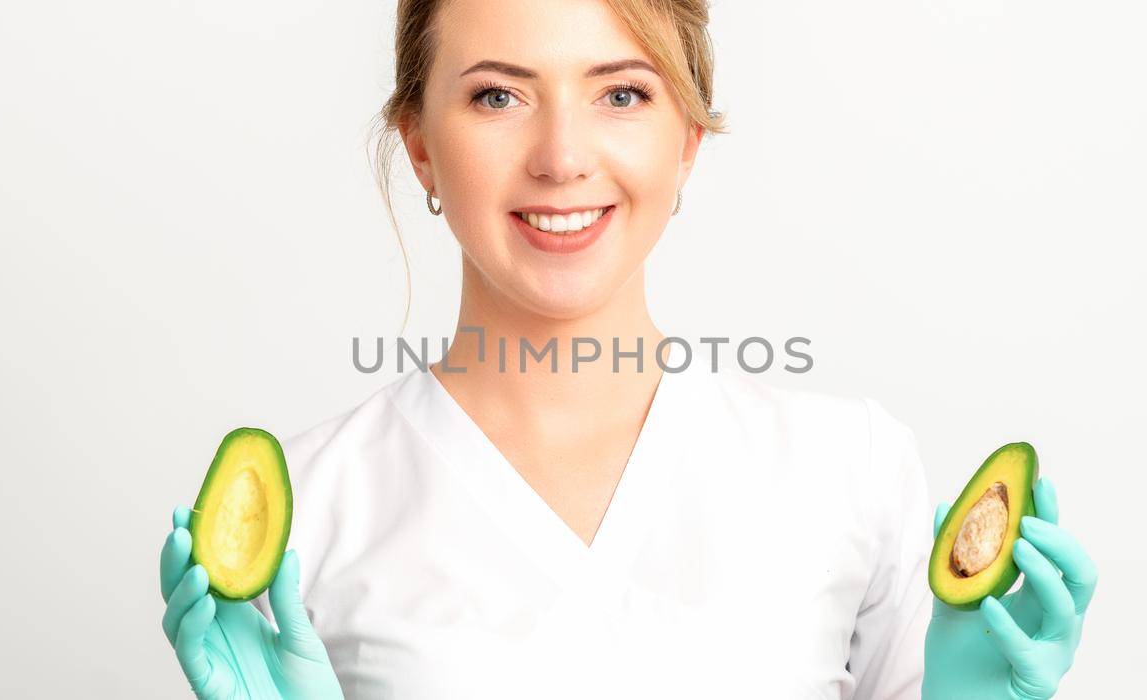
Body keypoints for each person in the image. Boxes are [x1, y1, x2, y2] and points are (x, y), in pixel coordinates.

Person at [157, 0, 1098, 697]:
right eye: (497, 95)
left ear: (686, 137)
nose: (562, 156)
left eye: (621, 92)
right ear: (420, 148)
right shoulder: (310, 512)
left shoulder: (851, 469)